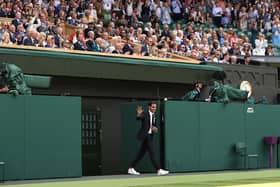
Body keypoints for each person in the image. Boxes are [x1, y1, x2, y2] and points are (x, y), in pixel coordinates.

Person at [128, 101, 169, 176]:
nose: (154, 108)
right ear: (149, 107)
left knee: (141, 154)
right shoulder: (145, 114)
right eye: (153, 107)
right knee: (152, 152)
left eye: (155, 107)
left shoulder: (154, 115)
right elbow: (139, 117)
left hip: (150, 136)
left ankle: (131, 168)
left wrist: (154, 128)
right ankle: (158, 169)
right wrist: (139, 114)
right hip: (145, 136)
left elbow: (153, 125)